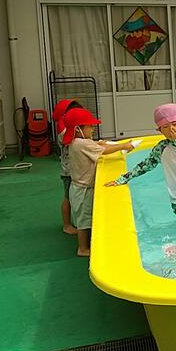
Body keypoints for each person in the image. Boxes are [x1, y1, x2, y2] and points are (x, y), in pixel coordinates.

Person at [105, 103, 176, 216]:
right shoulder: (161, 148)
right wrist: (123, 179)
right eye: (165, 127)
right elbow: (145, 165)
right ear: (160, 130)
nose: (171, 129)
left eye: (175, 124)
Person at [63, 108, 133, 256]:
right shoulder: (81, 143)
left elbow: (96, 146)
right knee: (84, 220)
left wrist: (99, 143)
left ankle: (86, 243)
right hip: (83, 190)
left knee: (85, 217)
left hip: (78, 187)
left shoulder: (76, 141)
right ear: (78, 129)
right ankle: (83, 248)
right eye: (90, 126)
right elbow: (104, 151)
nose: (93, 129)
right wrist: (124, 146)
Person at [51, 98, 82, 235]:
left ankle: (72, 223)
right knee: (68, 198)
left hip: (73, 170)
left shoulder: (66, 128)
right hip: (69, 172)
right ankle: (67, 225)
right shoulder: (63, 132)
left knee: (72, 198)